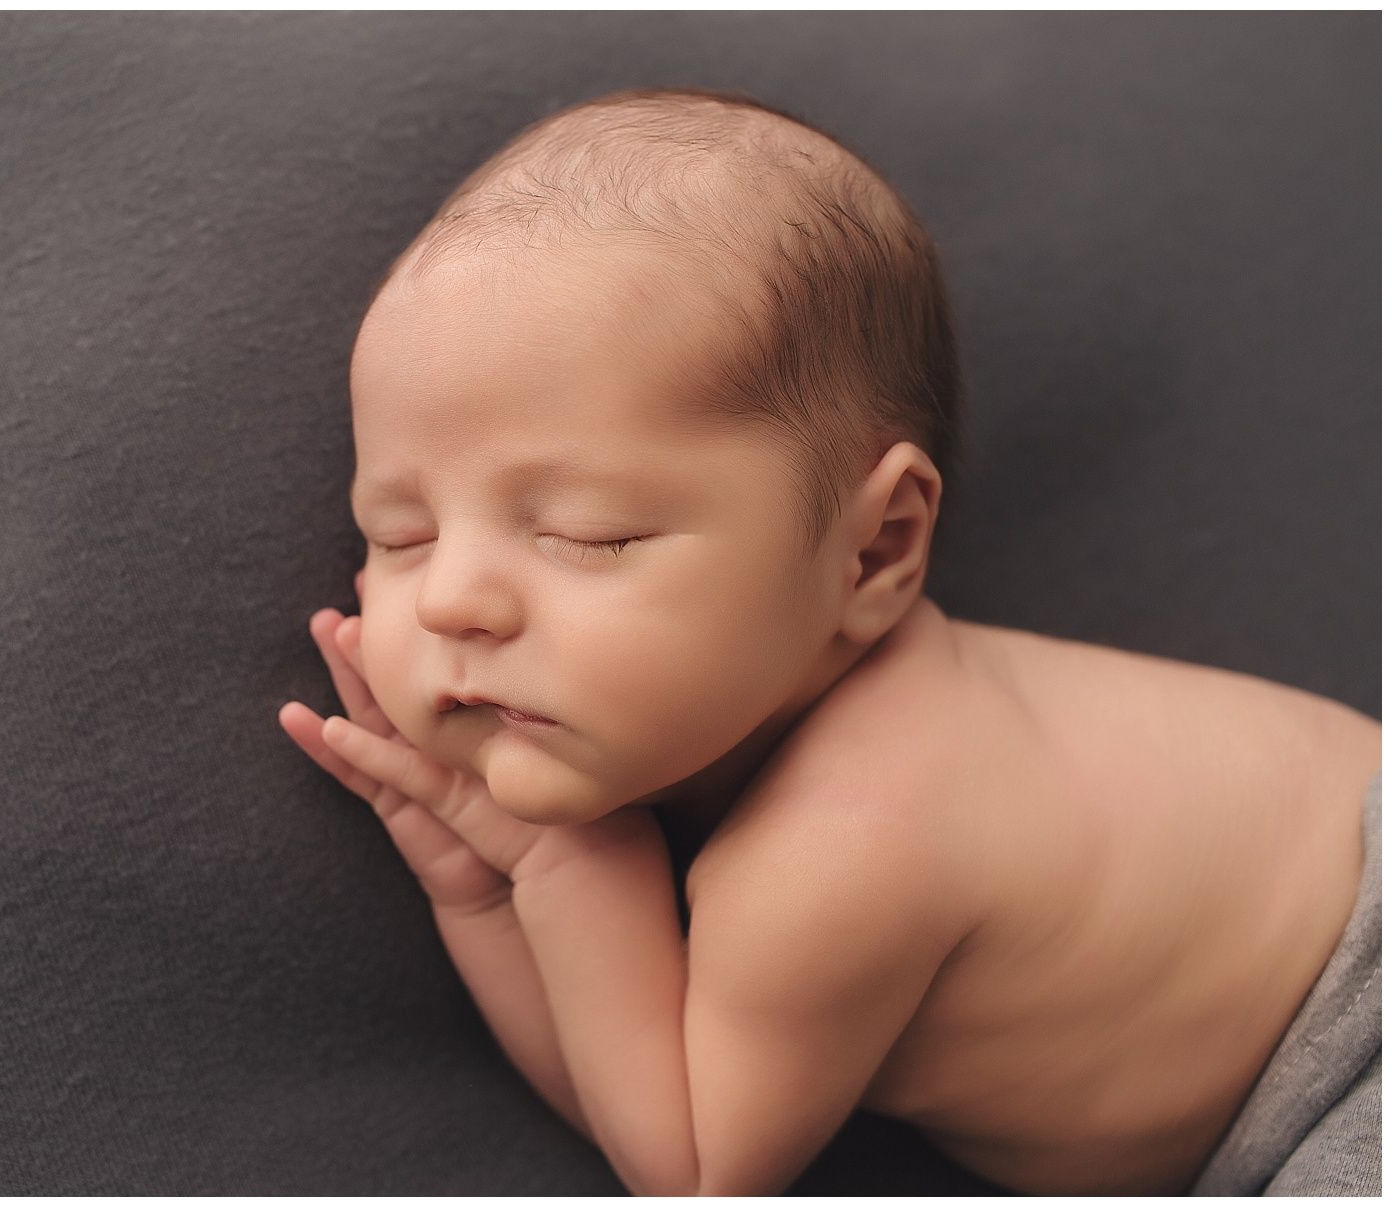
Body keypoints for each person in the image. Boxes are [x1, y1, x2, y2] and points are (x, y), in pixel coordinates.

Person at [276, 87, 1381, 1196]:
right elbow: (645, 1091)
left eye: (587, 535)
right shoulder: (788, 764)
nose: (453, 599)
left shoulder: (847, 843)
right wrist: (488, 889)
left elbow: (690, 1164)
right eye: (400, 533)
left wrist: (563, 867)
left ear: (872, 553)